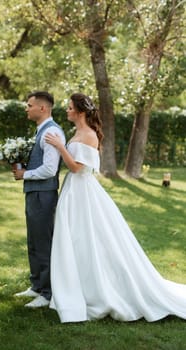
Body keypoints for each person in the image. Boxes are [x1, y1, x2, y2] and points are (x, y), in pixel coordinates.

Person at [45, 92, 186, 323]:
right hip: (74, 191)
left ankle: (98, 289)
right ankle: (76, 284)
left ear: (80, 111)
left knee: (88, 237)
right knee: (76, 238)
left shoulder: (89, 135)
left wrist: (61, 147)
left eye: (70, 107)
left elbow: (77, 168)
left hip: (83, 193)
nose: (67, 110)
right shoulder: (78, 132)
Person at [13, 91, 65, 308]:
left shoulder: (51, 132)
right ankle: (36, 285)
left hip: (44, 195)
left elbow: (50, 169)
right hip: (35, 193)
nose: (27, 108)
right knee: (34, 241)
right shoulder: (41, 131)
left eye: (29, 105)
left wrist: (26, 174)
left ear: (42, 108)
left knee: (43, 242)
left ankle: (47, 293)